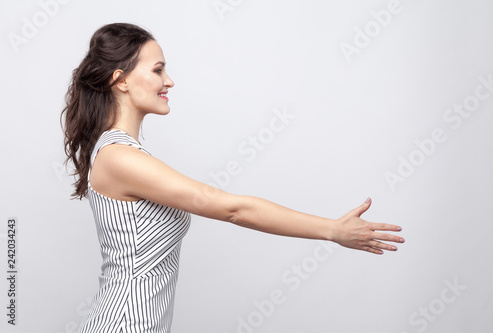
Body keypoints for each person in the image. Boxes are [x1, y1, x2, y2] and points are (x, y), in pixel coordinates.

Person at [61, 23, 405, 333]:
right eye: (158, 70)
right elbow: (231, 209)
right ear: (120, 80)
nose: (169, 81)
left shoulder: (123, 153)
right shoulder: (120, 157)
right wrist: (331, 230)